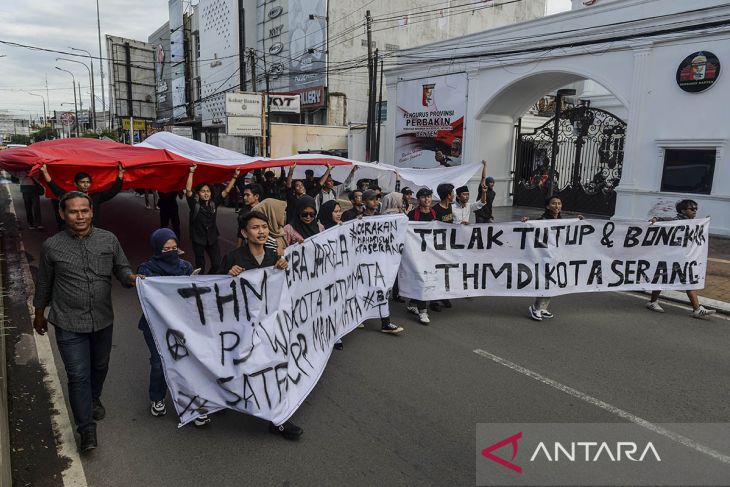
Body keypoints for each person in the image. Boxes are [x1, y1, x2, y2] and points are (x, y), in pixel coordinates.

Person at [33, 191, 143, 453]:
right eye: (73, 211)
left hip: (103, 319)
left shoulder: (109, 240)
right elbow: (45, 282)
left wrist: (131, 279)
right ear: (63, 214)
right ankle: (86, 430)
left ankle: (93, 398)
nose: (80, 216)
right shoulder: (52, 246)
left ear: (92, 212)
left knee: (100, 366)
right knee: (78, 375)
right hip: (68, 322)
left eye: (84, 210)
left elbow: (121, 268)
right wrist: (39, 312)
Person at [218, 211, 303, 441]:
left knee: (273, 370)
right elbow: (212, 291)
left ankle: (278, 420)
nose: (261, 231)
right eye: (255, 228)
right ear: (245, 233)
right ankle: (221, 398)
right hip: (240, 328)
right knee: (238, 368)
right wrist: (227, 276)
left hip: (269, 328)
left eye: (264, 227)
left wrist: (284, 268)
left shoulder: (274, 258)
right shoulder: (233, 258)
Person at [135, 228, 212, 425]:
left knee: (187, 362)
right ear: (157, 249)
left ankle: (194, 405)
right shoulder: (147, 269)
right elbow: (146, 296)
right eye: (166, 248)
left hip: (182, 324)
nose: (170, 252)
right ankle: (157, 398)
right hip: (155, 325)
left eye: (174, 248)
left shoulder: (185, 266)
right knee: (159, 362)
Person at [646, 199, 716, 319]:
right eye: (692, 209)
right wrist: (655, 220)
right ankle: (652, 302)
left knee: (689, 281)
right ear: (683, 210)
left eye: (695, 209)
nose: (695, 211)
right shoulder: (677, 221)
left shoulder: (694, 223)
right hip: (669, 257)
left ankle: (697, 309)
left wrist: (703, 223)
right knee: (662, 279)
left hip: (683, 259)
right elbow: (663, 220)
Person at [522, 195, 582, 321]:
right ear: (547, 206)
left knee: (553, 282)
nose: (557, 206)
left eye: (559, 203)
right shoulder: (543, 220)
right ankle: (536, 308)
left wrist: (579, 222)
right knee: (546, 281)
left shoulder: (561, 220)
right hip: (544, 256)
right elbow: (531, 228)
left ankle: (543, 307)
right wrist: (526, 222)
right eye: (554, 203)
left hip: (557, 257)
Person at [185, 164, 239, 273]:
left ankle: (209, 278)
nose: (206, 193)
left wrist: (235, 176)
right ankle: (200, 283)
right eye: (203, 191)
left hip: (212, 238)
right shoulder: (194, 204)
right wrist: (191, 172)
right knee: (200, 265)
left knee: (216, 264)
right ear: (199, 193)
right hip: (198, 238)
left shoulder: (214, 204)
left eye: (208, 191)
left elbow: (226, 191)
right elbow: (188, 190)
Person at [40, 163, 125, 228]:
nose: (86, 185)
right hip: (74, 231)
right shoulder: (70, 197)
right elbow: (55, 188)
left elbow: (114, 190)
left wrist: (120, 173)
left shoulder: (96, 197)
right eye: (82, 182)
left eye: (88, 182)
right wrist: (45, 172)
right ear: (75, 184)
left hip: (93, 232)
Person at [318, 200, 346, 349]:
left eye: (339, 211)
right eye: (335, 211)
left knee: (337, 303)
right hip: (324, 275)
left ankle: (336, 334)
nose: (339, 214)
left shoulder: (342, 227)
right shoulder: (320, 229)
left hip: (339, 273)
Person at [406, 188, 436, 324]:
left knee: (428, 279)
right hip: (417, 254)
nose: (427, 199)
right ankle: (423, 311)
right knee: (422, 280)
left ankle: (413, 303)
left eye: (429, 196)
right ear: (418, 200)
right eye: (424, 197)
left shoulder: (435, 213)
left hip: (431, 254)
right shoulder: (412, 215)